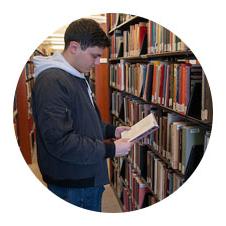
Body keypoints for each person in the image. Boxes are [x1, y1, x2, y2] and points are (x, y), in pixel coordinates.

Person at [31, 18, 133, 212]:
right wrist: (110, 150)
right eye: (94, 56)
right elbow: (60, 141)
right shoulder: (53, 81)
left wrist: (112, 130)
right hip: (73, 184)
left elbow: (84, 121)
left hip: (84, 175)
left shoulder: (76, 75)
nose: (97, 62)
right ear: (74, 47)